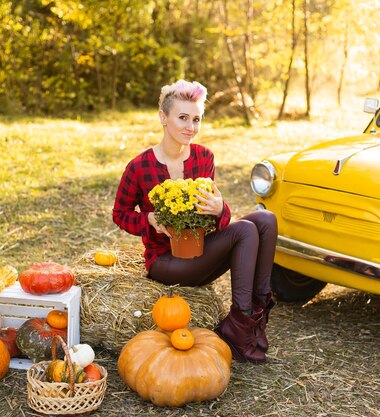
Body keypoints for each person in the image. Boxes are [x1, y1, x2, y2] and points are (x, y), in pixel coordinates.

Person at [112, 79, 277, 363]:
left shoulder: (204, 157)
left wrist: (219, 209)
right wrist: (148, 219)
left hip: (200, 251)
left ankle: (254, 317)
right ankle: (239, 325)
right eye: (183, 118)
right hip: (166, 261)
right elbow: (120, 213)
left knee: (265, 219)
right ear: (163, 118)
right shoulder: (139, 166)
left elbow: (218, 225)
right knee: (246, 229)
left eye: (196, 119)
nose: (191, 126)